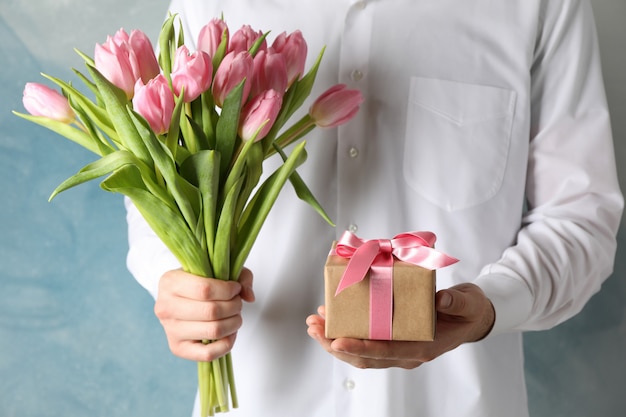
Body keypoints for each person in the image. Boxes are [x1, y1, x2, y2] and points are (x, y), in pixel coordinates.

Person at [125, 1, 623, 416]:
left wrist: (492, 304)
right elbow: (164, 172)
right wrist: (176, 279)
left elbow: (582, 214)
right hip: (254, 400)